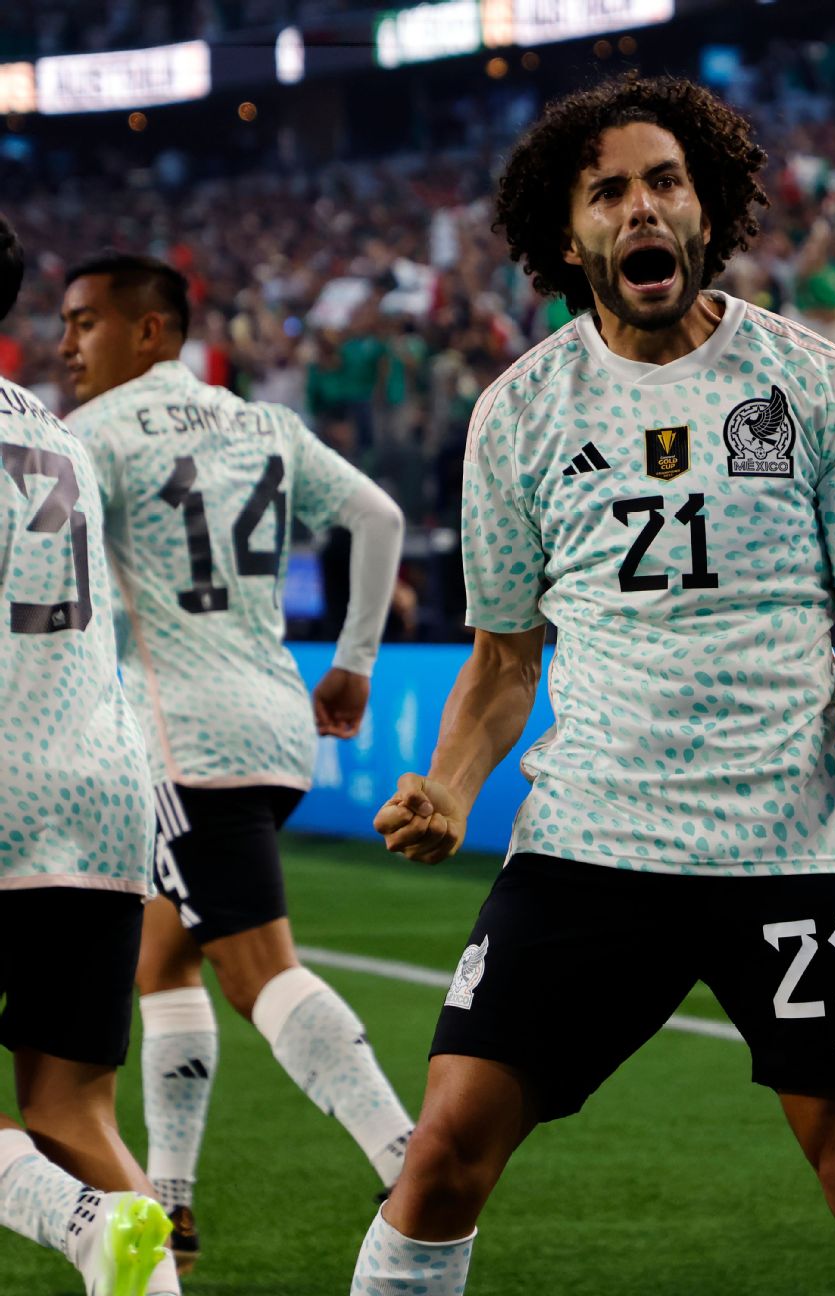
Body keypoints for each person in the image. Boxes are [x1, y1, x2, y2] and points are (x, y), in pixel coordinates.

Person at [354, 75, 835, 1296]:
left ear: (708, 208)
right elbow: (501, 657)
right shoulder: (518, 413)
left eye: (665, 182)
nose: (642, 209)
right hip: (594, 838)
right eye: (609, 192)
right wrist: (448, 784)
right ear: (567, 231)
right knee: (438, 1159)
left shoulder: (823, 387)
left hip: (787, 841)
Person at [58, 251, 415, 1274]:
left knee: (260, 967)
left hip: (177, 739)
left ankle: (408, 1156)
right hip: (273, 722)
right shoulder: (263, 424)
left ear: (151, 331)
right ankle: (169, 1199)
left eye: (86, 324)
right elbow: (378, 518)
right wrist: (352, 666)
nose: (69, 346)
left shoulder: (88, 440)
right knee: (162, 956)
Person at [0, 218, 180, 1295]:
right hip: (103, 797)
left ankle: (73, 1226)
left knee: (69, 1166)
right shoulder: (60, 434)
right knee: (72, 1112)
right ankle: (123, 1255)